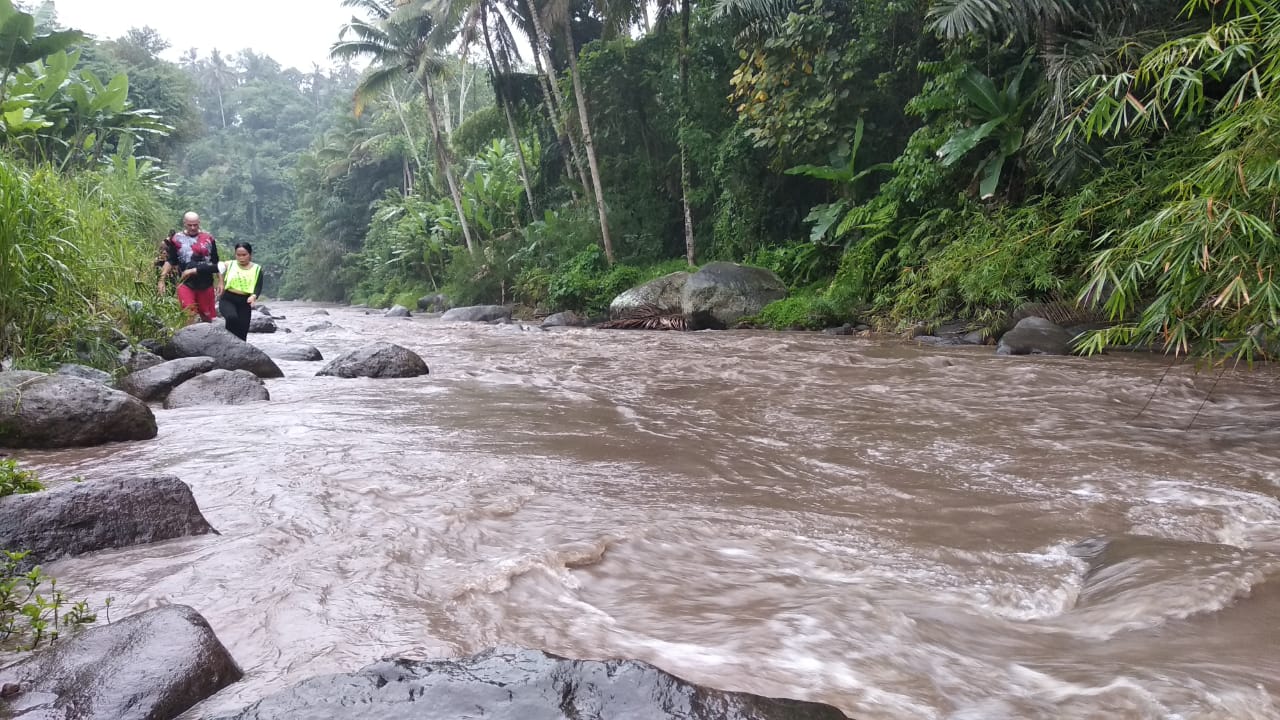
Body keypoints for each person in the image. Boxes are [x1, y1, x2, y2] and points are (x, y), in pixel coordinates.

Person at [158, 212, 221, 322]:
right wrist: (161, 280)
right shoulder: (176, 239)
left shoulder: (208, 238)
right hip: (186, 283)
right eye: (190, 225)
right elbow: (171, 261)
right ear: (184, 224)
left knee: (208, 317)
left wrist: (220, 281)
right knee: (188, 314)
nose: (193, 228)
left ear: (199, 223)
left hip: (206, 283)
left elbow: (215, 262)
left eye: (195, 225)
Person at [217, 242, 263, 341]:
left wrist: (254, 296)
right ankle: (227, 343)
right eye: (238, 255)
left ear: (250, 255)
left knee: (242, 332)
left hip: (245, 301)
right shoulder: (230, 264)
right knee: (231, 317)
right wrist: (221, 282)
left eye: (244, 255)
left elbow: (258, 286)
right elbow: (219, 266)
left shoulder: (257, 269)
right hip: (228, 298)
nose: (241, 258)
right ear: (235, 255)